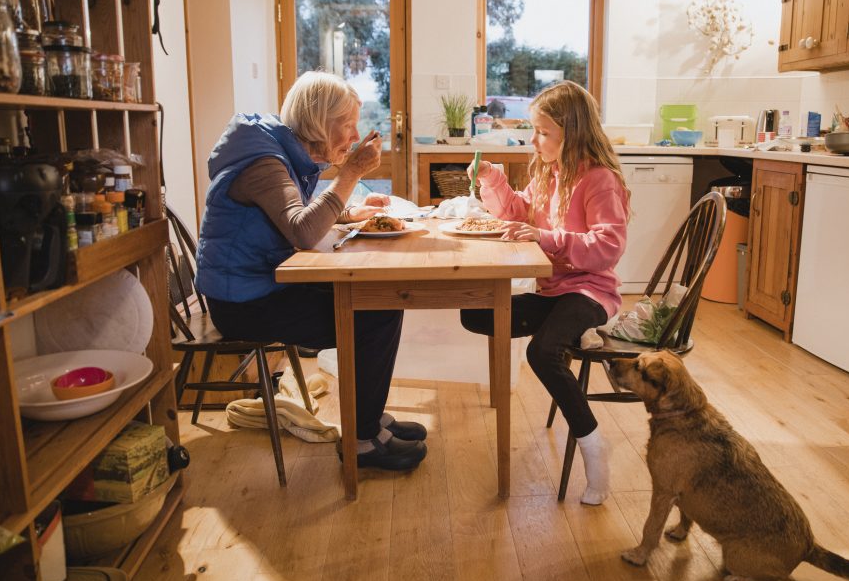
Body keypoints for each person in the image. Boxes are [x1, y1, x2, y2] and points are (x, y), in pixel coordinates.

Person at [194, 70, 426, 471]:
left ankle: (366, 419)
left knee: (379, 301)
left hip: (261, 284)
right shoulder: (263, 163)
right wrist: (350, 174)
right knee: (374, 315)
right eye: (347, 125)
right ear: (319, 122)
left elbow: (296, 216)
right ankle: (362, 440)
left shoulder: (278, 153)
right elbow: (302, 230)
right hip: (242, 303)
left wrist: (352, 212)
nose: (354, 137)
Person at [460, 80, 630, 505]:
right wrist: (492, 178)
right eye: (533, 130)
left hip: (590, 291)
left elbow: (607, 247)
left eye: (542, 132)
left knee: (542, 352)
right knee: (475, 312)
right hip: (554, 290)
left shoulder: (599, 180)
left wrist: (549, 238)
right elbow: (519, 213)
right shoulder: (551, 174)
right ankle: (572, 333)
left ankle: (593, 447)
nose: (533, 140)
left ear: (570, 134)